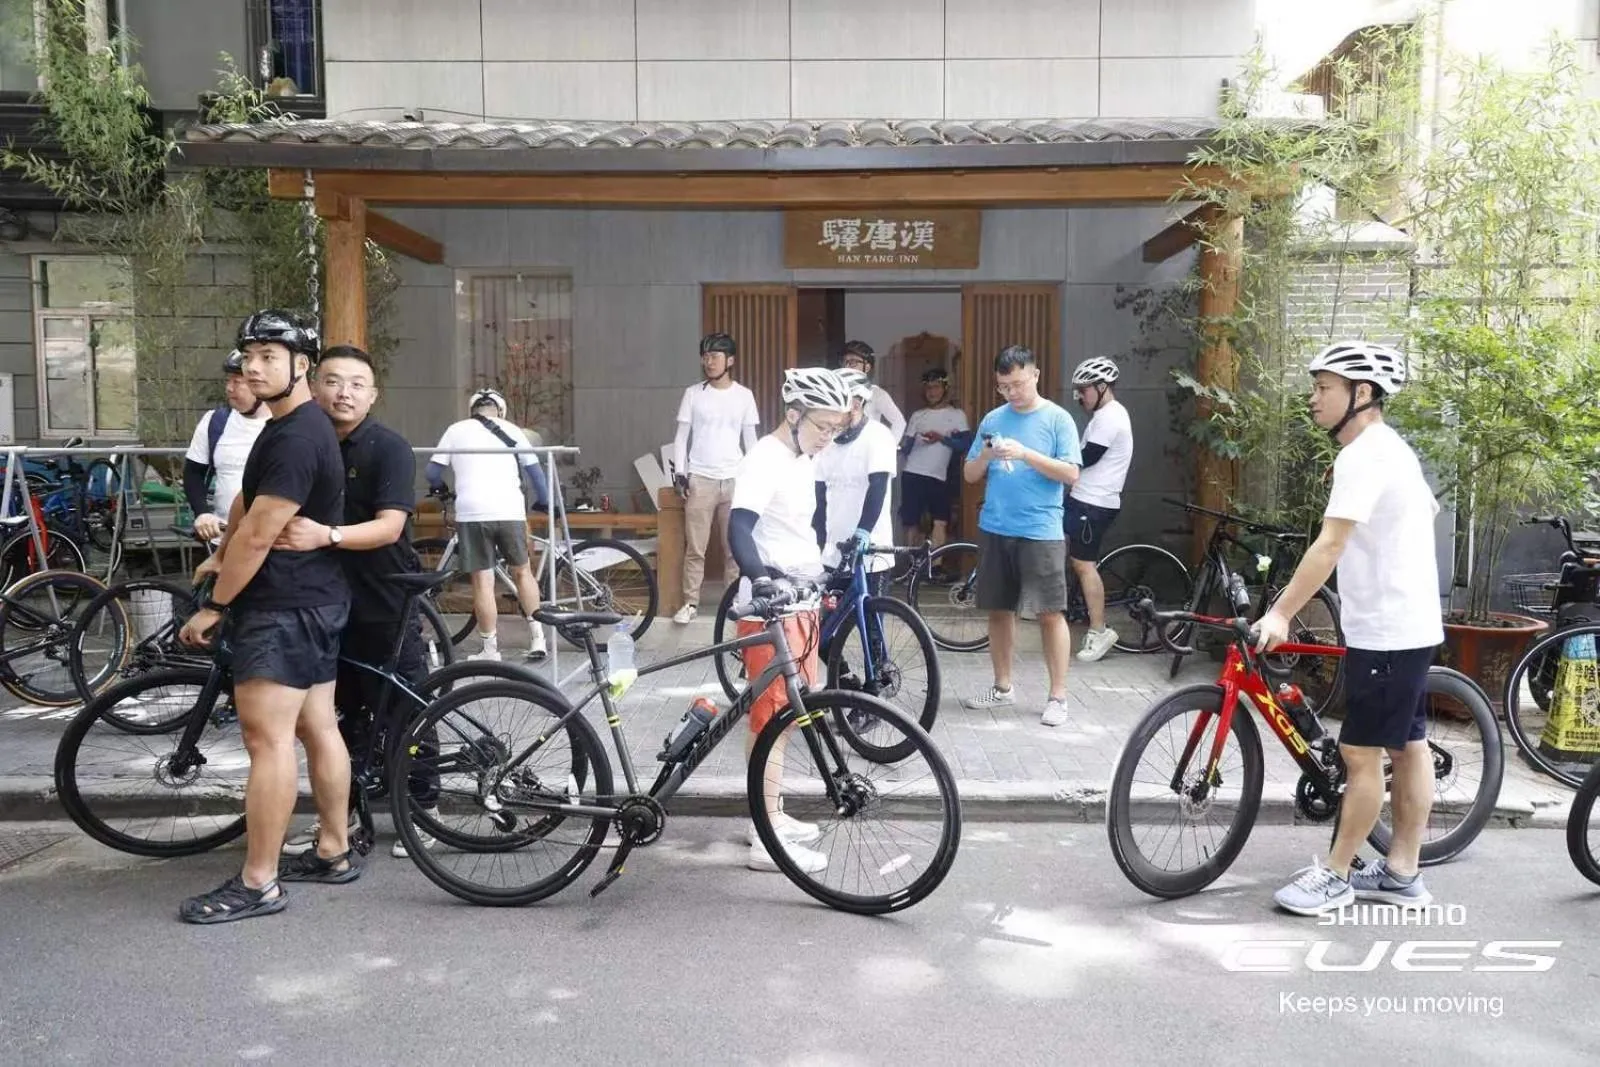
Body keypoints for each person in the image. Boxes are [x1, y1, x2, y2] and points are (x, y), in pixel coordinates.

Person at [176, 310, 354, 923]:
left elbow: (260, 534)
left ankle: (258, 882)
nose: (253, 366)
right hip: (316, 599)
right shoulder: (290, 427)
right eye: (248, 354)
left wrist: (217, 604)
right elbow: (245, 507)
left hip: (283, 607)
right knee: (316, 726)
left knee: (267, 740)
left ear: (300, 366)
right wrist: (220, 554)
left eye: (269, 356)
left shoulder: (297, 435)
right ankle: (333, 849)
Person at [1260, 341, 1442, 916]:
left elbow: (1331, 543)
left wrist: (1282, 611)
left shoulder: (1363, 455)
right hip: (1409, 622)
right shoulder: (1395, 450)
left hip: (1386, 630)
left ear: (1361, 394)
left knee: (1360, 755)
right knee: (1409, 747)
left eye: (1324, 388)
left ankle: (1336, 876)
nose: (1313, 399)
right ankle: (1402, 873)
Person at [274, 344, 439, 860]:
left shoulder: (386, 446)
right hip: (323, 602)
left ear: (373, 395)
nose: (344, 392)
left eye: (356, 384)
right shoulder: (307, 441)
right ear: (314, 384)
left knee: (407, 706)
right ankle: (340, 817)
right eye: (333, 381)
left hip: (384, 596)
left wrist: (327, 536)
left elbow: (391, 527)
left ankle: (424, 810)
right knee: (336, 715)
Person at [726, 366, 854, 874]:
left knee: (786, 715)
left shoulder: (802, 457)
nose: (829, 437)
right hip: (772, 607)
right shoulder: (765, 459)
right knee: (772, 719)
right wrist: (761, 582)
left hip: (800, 602)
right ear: (794, 414)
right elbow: (739, 531)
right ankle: (765, 837)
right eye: (824, 426)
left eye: (837, 429)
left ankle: (768, 812)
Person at [960, 345, 1082, 727]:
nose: (1011, 392)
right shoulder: (993, 419)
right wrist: (985, 457)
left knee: (1050, 612)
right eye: (1003, 386)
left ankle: (1058, 696)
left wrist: (1027, 454)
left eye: (1017, 383)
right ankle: (1002, 688)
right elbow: (969, 475)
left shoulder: (1058, 419)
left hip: (1041, 530)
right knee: (999, 609)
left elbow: (1071, 474)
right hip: (996, 526)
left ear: (1035, 375)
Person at [426, 388, 549, 663]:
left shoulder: (455, 430)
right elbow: (537, 475)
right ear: (500, 410)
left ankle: (491, 651)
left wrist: (439, 487)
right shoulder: (515, 431)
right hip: (510, 511)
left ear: (472, 410)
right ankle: (538, 639)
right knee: (523, 573)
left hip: (472, 514)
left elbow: (432, 472)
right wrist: (545, 503)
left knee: (483, 582)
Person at [671, 332, 760, 624]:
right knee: (695, 547)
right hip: (701, 478)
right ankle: (690, 604)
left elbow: (751, 441)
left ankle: (733, 602)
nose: (709, 362)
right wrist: (681, 474)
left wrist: (755, 477)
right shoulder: (694, 393)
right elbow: (682, 436)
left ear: (730, 360)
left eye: (715, 356)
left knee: (734, 548)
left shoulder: (744, 395)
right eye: (706, 356)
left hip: (734, 478)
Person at [1065, 356, 1134, 663]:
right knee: (1072, 557)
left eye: (1084, 389)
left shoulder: (1110, 417)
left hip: (1094, 503)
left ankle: (1099, 629)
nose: (1080, 396)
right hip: (1085, 498)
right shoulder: (1105, 414)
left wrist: (1049, 462)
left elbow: (1086, 457)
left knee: (1084, 564)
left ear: (1102, 386)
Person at [813, 368, 897, 591]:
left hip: (870, 553)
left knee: (870, 623)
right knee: (827, 624)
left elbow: (878, 487)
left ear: (856, 404)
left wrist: (864, 531)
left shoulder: (878, 436)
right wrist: (818, 542)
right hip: (832, 553)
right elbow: (819, 497)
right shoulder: (826, 441)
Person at [182, 349, 271, 544]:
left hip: (269, 540)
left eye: (237, 382)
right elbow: (193, 473)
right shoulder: (214, 421)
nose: (229, 388)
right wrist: (202, 514)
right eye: (228, 381)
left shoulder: (285, 426)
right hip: (222, 537)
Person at [898, 367, 971, 551]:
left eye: (936, 387)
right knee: (911, 521)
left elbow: (967, 445)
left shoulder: (956, 415)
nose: (932, 392)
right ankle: (912, 567)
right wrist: (904, 443)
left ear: (945, 388)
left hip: (939, 476)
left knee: (940, 521)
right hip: (912, 473)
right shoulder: (917, 415)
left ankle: (935, 568)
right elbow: (906, 447)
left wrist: (942, 439)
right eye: (928, 388)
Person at [839, 340, 907, 440]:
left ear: (867, 367)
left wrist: (888, 449)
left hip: (867, 450)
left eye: (853, 362)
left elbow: (899, 422)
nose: (847, 366)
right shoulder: (838, 391)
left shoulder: (876, 394)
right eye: (844, 362)